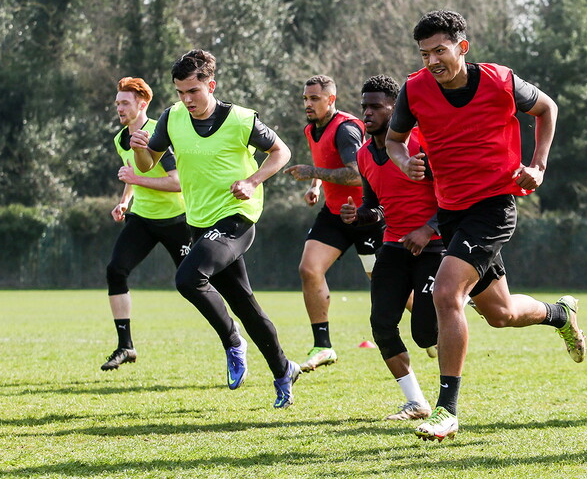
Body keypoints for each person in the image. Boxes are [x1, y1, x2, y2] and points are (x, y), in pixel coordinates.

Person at [386, 9, 586, 441]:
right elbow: (394, 141)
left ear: (463, 46)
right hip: (452, 209)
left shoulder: (500, 80)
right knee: (501, 313)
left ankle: (447, 410)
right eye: (425, 54)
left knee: (445, 292)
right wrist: (406, 165)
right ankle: (559, 314)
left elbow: (547, 108)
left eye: (441, 50)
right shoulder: (414, 90)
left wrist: (539, 164)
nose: (433, 61)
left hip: (495, 205)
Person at [130, 49, 302, 409]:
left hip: (237, 217)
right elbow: (148, 166)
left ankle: (232, 341)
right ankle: (284, 369)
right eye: (179, 92)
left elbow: (281, 152)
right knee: (244, 304)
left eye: (193, 91)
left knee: (187, 278)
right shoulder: (171, 118)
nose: (186, 99)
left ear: (212, 85)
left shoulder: (240, 119)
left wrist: (253, 181)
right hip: (200, 222)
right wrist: (141, 150)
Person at [340, 75, 439, 421]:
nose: (366, 113)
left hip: (436, 247)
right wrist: (358, 216)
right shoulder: (363, 154)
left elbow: (455, 195)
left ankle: (459, 295)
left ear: (395, 108)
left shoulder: (424, 142)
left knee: (424, 332)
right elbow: (376, 207)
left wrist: (428, 230)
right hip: (394, 246)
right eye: (363, 105)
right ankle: (416, 402)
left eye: (375, 106)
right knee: (382, 324)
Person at [283, 75, 384, 372]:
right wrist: (316, 184)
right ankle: (323, 346)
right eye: (305, 99)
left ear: (331, 100)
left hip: (365, 214)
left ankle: (433, 329)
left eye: (314, 99)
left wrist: (312, 171)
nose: (308, 104)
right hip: (335, 214)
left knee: (384, 285)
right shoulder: (311, 129)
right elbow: (326, 160)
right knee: (309, 269)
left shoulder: (347, 129)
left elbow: (356, 175)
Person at [101, 77, 191, 371]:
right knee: (115, 269)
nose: (119, 108)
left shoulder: (157, 135)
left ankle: (232, 339)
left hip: (177, 222)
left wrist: (135, 181)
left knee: (195, 285)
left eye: (125, 103)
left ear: (142, 104)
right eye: (117, 103)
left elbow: (176, 183)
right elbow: (132, 173)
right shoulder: (120, 138)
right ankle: (125, 346)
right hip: (142, 219)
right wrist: (125, 200)